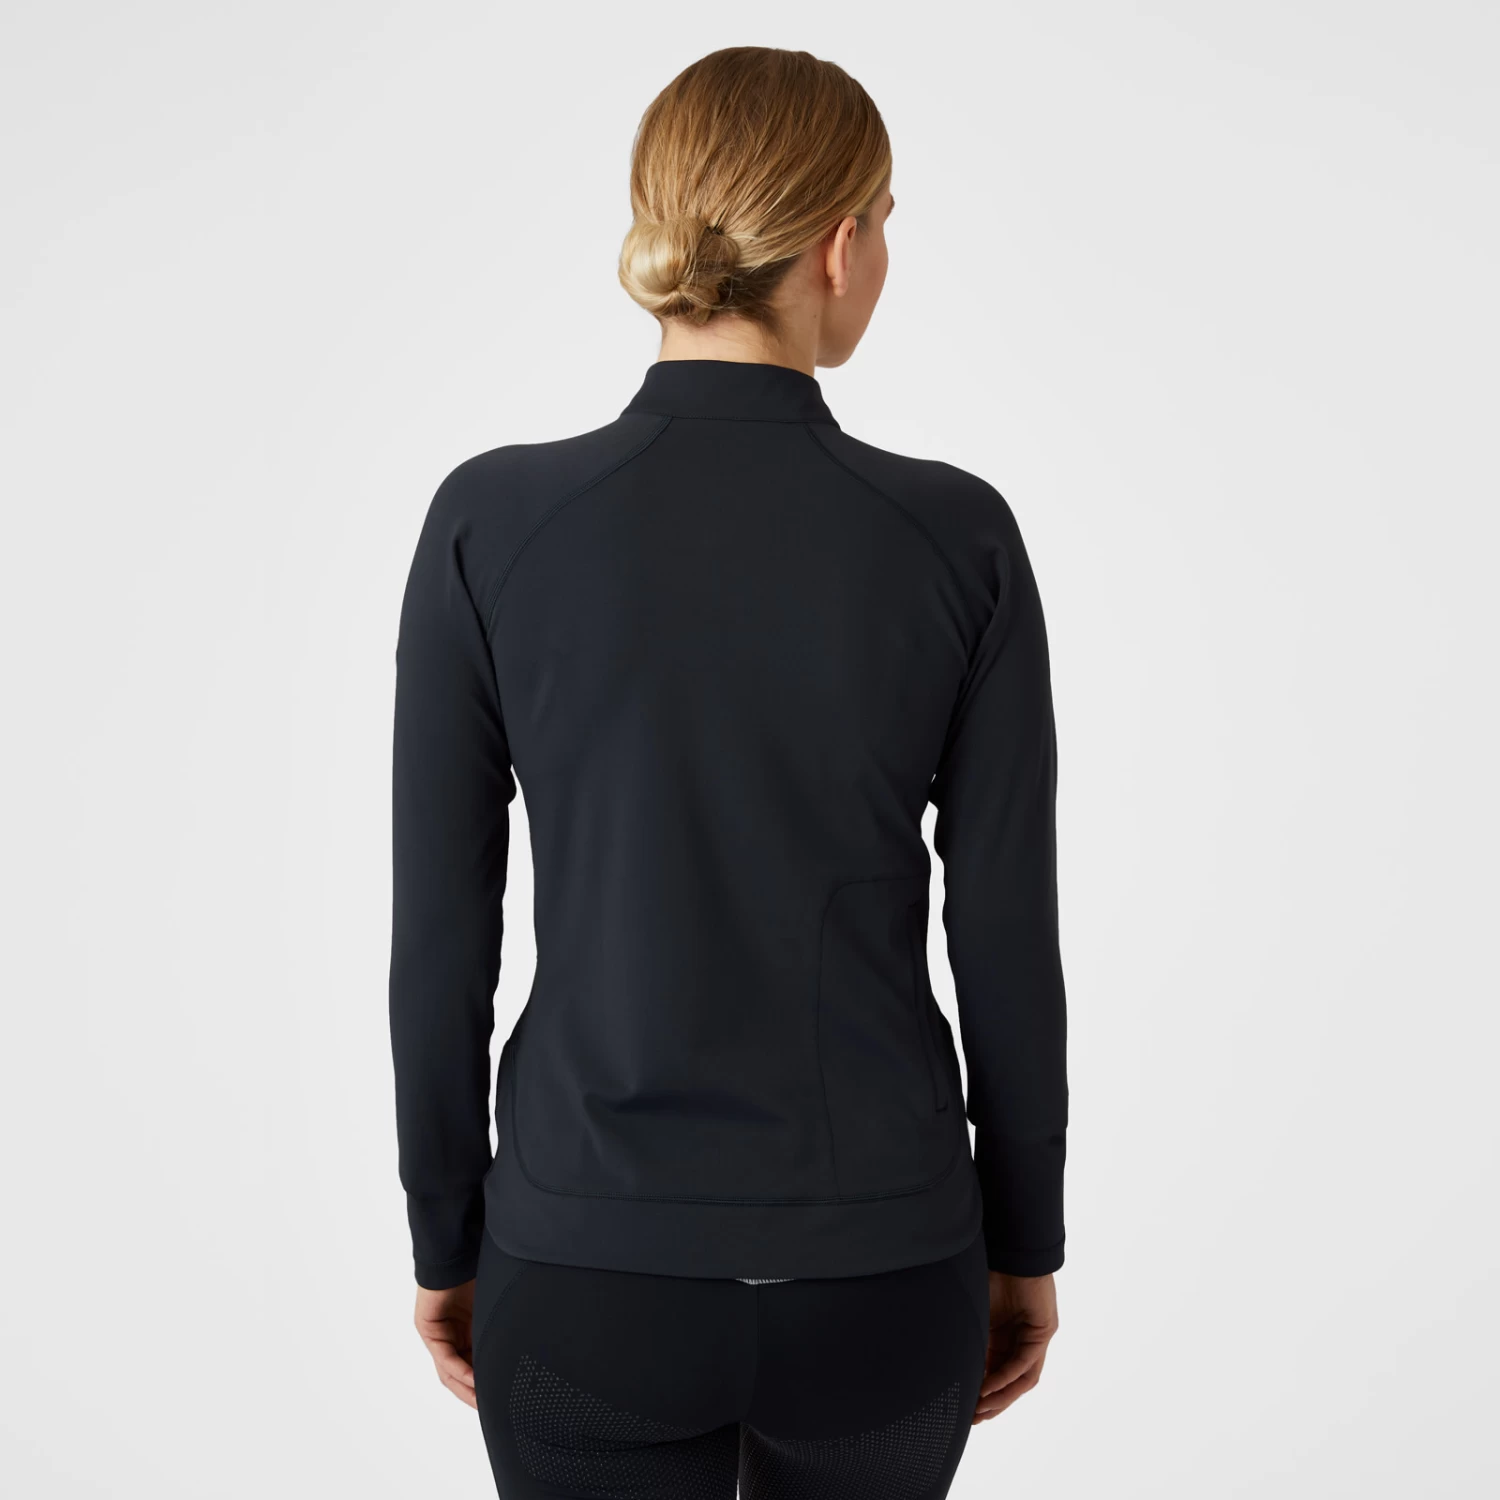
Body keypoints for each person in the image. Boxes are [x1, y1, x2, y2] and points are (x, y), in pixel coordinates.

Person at [388, 45, 1068, 1500]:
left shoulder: (491, 523)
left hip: (584, 1265)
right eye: (888, 223)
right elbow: (1007, 935)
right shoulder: (957, 539)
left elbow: (441, 935)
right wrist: (1029, 1239)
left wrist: (446, 1235)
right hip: (885, 1274)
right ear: (840, 244)